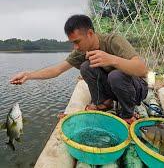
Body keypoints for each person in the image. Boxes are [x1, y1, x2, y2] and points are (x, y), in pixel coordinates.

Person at [10, 14, 148, 124]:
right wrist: (28, 75)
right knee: (86, 66)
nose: (75, 47)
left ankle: (128, 115)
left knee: (115, 75)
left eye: (77, 41)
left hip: (136, 90)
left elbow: (142, 70)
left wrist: (112, 59)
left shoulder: (113, 41)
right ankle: (104, 103)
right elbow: (57, 70)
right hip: (115, 90)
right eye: (72, 43)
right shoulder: (82, 51)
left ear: (90, 33)